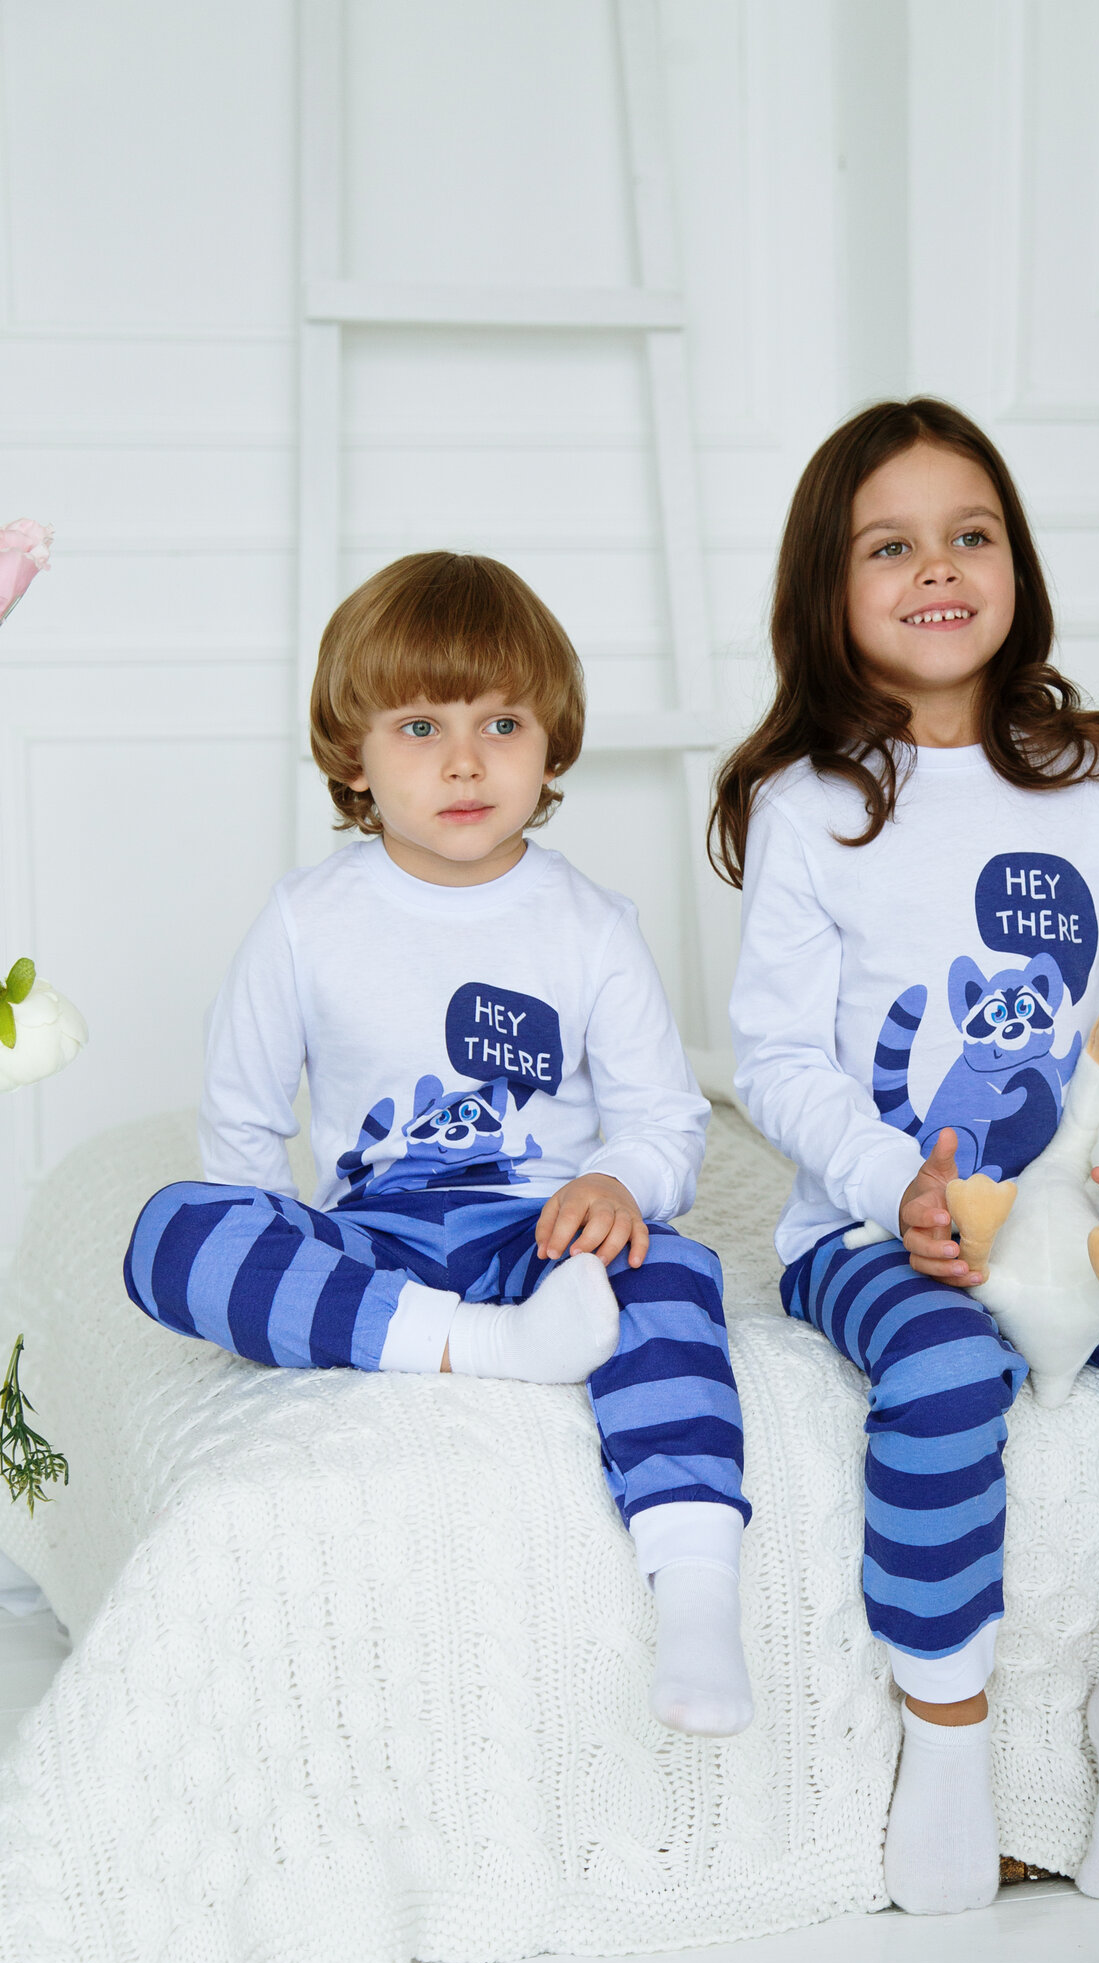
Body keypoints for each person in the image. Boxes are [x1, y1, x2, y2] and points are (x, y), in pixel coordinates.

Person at [714, 400, 1099, 1906]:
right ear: (826, 591)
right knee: (941, 1368)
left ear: (1016, 566)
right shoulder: (809, 807)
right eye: (890, 545)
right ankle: (950, 1744)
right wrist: (891, 1186)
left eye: (969, 533)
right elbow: (775, 1055)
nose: (939, 566)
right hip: (875, 1227)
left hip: (1083, 1206)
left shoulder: (1095, 785)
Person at [125, 551, 752, 1737]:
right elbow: (243, 1119)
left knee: (671, 1271)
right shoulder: (308, 920)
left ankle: (697, 1592)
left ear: (551, 746)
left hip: (539, 1233)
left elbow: (665, 1115)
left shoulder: (588, 925)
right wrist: (274, 1245)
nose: (465, 761)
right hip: (373, 1241)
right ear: (353, 756)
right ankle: (487, 1347)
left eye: (502, 723)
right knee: (172, 1230)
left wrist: (618, 1180)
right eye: (420, 726)